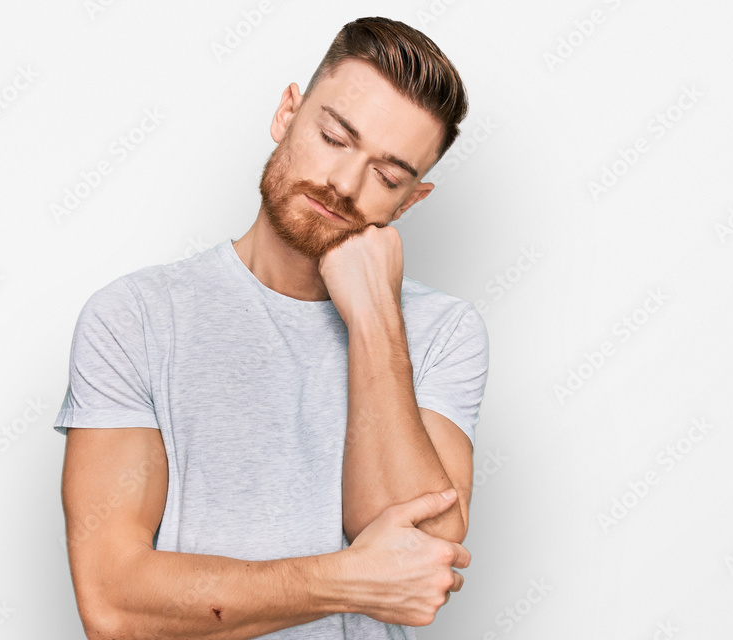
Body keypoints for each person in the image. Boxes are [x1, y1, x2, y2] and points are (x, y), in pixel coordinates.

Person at [54, 16, 489, 640]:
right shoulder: (135, 317)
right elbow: (114, 604)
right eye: (334, 138)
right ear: (288, 112)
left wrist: (374, 316)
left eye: (387, 177)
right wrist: (347, 579)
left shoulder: (443, 331)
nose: (343, 184)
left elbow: (421, 556)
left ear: (410, 201)